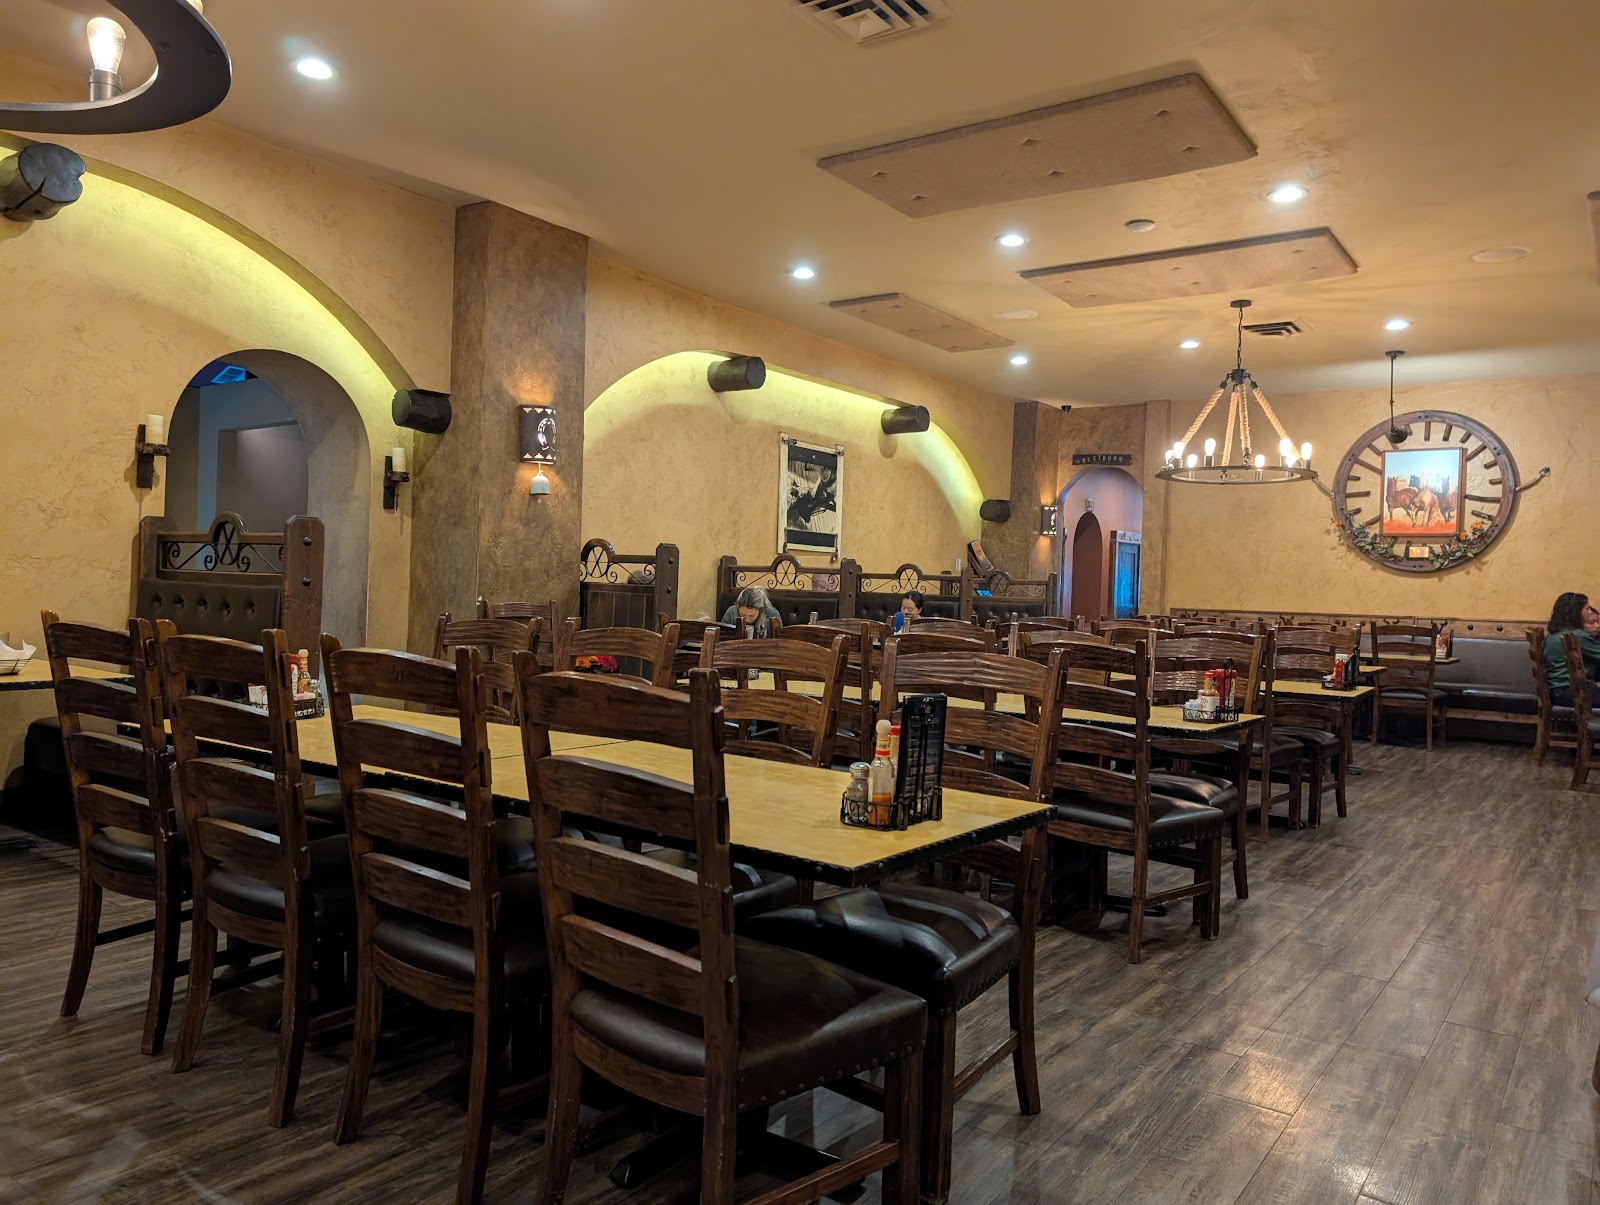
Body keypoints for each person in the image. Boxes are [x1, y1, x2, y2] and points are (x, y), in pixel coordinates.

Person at [1543, 591, 1600, 706]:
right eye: (1587, 609)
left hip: (1554, 690)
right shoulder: (1575, 635)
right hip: (1570, 691)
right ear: (1576, 611)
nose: (1590, 612)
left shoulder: (1553, 634)